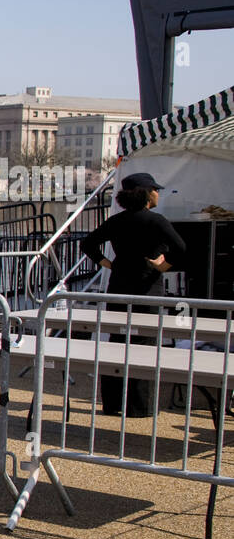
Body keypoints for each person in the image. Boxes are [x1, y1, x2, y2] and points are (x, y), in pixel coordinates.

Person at [81, 172, 187, 416]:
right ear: (146, 193)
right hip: (147, 288)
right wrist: (164, 264)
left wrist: (107, 263)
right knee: (144, 345)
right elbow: (181, 247)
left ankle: (112, 403)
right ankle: (139, 406)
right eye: (155, 189)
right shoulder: (156, 221)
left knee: (117, 342)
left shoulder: (117, 221)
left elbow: (87, 243)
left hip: (119, 284)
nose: (158, 193)